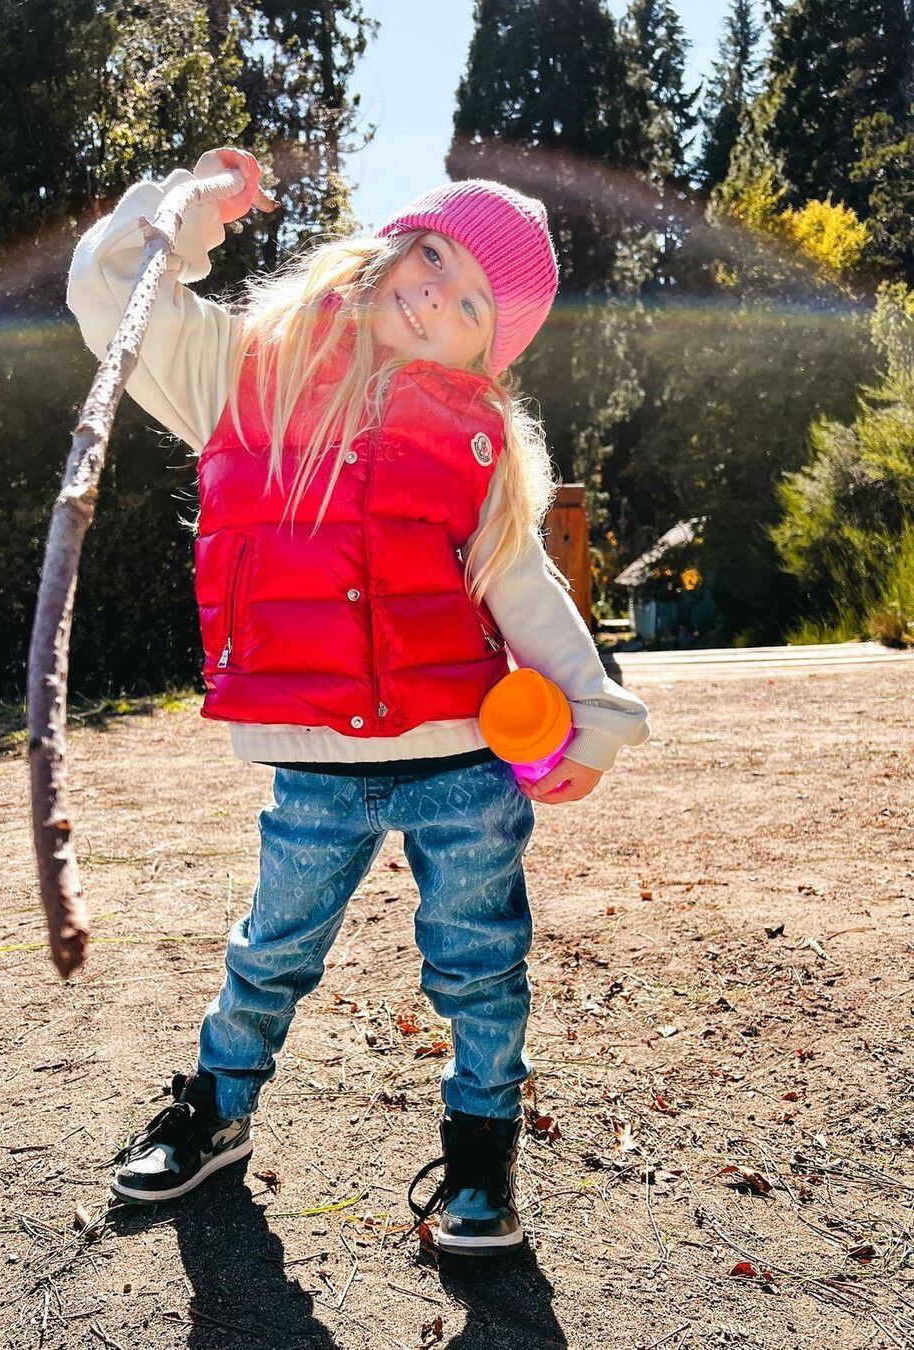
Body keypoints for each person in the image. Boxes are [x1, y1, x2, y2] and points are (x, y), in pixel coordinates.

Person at [66, 146, 651, 1256]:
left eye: (473, 298)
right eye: (432, 254)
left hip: (463, 764)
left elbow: (520, 590)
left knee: (481, 964)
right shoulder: (247, 375)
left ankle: (481, 1160)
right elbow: (110, 297)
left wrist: (597, 715)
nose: (438, 290)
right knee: (269, 952)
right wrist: (183, 212)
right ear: (387, 253)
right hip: (314, 764)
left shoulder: (476, 447)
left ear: (492, 345)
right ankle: (215, 1112)